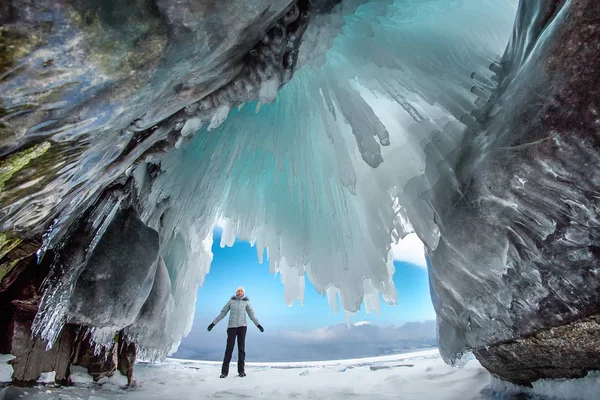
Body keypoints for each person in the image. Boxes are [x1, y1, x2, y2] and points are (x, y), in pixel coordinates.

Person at [207, 286, 264, 378]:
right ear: (236, 292)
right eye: (238, 291)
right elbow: (223, 313)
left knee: (241, 349)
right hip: (232, 327)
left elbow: (252, 315)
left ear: (243, 293)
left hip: (242, 327)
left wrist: (258, 325)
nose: (240, 292)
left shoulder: (246, 302)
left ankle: (241, 371)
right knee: (229, 349)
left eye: (241, 291)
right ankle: (224, 372)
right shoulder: (231, 301)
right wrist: (213, 324)